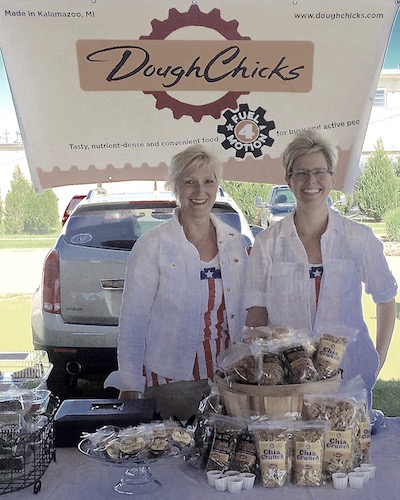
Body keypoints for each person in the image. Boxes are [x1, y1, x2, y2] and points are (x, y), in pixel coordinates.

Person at [245, 129, 397, 407]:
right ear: (288, 179)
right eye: (301, 173)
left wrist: (378, 357)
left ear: (332, 177)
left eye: (319, 171)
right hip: (289, 385)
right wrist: (265, 372)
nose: (311, 181)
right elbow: (256, 316)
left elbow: (386, 297)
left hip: (350, 379)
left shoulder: (358, 238)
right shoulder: (267, 244)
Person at [104, 145, 248, 420]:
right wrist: (131, 384)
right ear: (176, 187)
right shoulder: (153, 246)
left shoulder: (233, 243)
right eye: (189, 182)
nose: (199, 191)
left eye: (208, 181)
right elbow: (133, 320)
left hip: (227, 381)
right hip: (171, 382)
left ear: (218, 185)